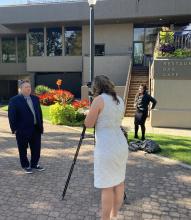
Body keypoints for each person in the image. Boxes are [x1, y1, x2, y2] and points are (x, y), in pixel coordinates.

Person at [85, 75, 128, 220]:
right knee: (119, 181)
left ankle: (105, 218)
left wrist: (88, 114)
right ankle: (115, 214)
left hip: (107, 145)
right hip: (120, 143)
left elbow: (89, 124)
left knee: (107, 186)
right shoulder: (120, 100)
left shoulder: (99, 100)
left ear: (96, 87)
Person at [8, 80, 45, 174]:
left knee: (36, 148)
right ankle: (25, 165)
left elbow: (39, 114)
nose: (28, 88)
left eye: (29, 87)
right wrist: (14, 129)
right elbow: (12, 116)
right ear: (20, 89)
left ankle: (34, 164)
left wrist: (41, 126)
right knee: (23, 149)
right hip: (22, 130)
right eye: (26, 87)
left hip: (36, 129)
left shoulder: (35, 98)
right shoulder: (14, 100)